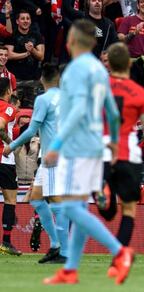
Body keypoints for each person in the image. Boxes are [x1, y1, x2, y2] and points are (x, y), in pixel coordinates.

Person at [42, 19, 133, 285]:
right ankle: (70, 269)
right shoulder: (99, 70)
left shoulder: (73, 71)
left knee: (70, 207)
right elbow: (113, 112)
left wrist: (56, 145)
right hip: (96, 144)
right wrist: (114, 142)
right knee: (80, 206)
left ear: (72, 41)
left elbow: (79, 110)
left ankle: (120, 252)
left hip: (78, 146)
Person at [3, 64, 69, 264]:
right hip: (61, 155)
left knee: (55, 202)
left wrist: (10, 146)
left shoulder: (43, 99)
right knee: (37, 199)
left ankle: (63, 251)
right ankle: (56, 245)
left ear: (42, 79)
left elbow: (32, 130)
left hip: (52, 157)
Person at [101, 42, 144, 257]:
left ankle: (105, 192)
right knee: (129, 208)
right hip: (129, 154)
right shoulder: (139, 93)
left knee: (108, 211)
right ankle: (118, 254)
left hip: (102, 151)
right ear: (128, 63)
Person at [0, 78, 20, 256]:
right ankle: (6, 242)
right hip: (4, 161)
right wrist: (10, 143)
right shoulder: (9, 108)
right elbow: (0, 125)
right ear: (8, 91)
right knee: (10, 200)